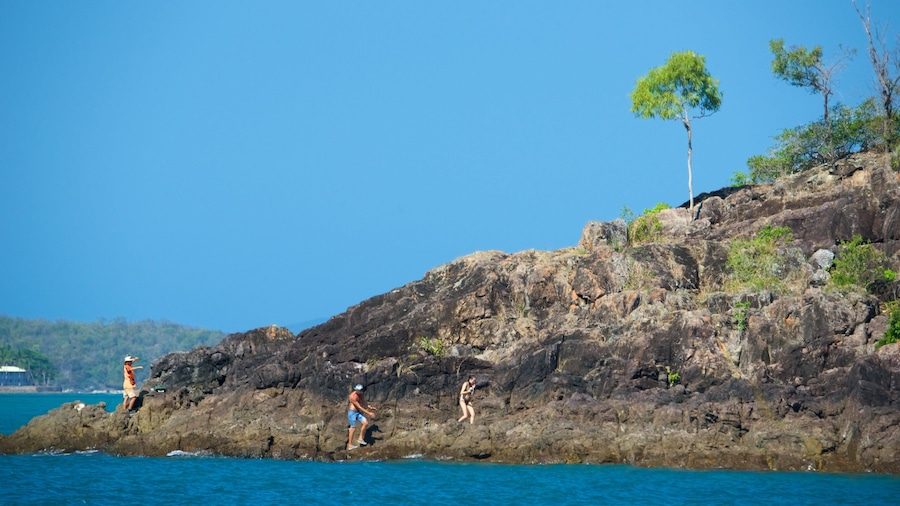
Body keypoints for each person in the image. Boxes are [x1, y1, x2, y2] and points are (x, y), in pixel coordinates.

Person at [347, 384, 376, 450]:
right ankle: (349, 445)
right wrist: (369, 413)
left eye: (359, 390)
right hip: (352, 413)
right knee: (353, 428)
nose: (357, 391)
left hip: (357, 412)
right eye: (356, 390)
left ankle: (360, 438)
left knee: (365, 423)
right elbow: (359, 406)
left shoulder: (361, 394)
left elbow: (363, 402)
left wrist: (370, 407)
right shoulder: (352, 396)